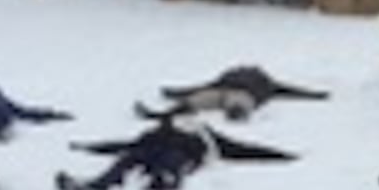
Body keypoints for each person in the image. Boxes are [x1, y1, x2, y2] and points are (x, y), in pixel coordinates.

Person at [54, 116, 295, 190]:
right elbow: (122, 144)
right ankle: (96, 185)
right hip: (150, 148)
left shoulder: (205, 133)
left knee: (173, 160)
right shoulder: (160, 129)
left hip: (182, 153)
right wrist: (88, 147)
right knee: (127, 159)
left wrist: (282, 156)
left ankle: (165, 180)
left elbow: (243, 150)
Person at [136, 66, 328, 122]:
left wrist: (314, 95)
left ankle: (237, 112)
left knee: (206, 99)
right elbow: (201, 87)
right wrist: (176, 93)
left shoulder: (265, 82)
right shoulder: (264, 83)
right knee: (198, 99)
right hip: (226, 91)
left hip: (237, 93)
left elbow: (289, 90)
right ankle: (165, 114)